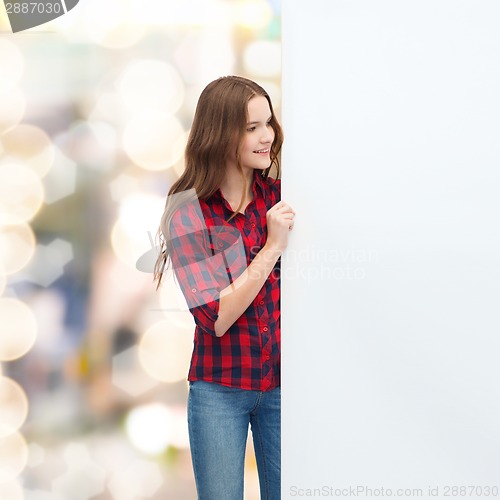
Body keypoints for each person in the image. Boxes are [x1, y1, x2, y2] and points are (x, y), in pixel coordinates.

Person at [154, 75, 295, 500]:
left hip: (285, 386)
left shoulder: (283, 198)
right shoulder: (188, 211)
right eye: (251, 127)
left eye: (268, 123)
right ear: (221, 133)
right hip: (219, 391)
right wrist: (271, 247)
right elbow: (215, 316)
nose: (266, 135)